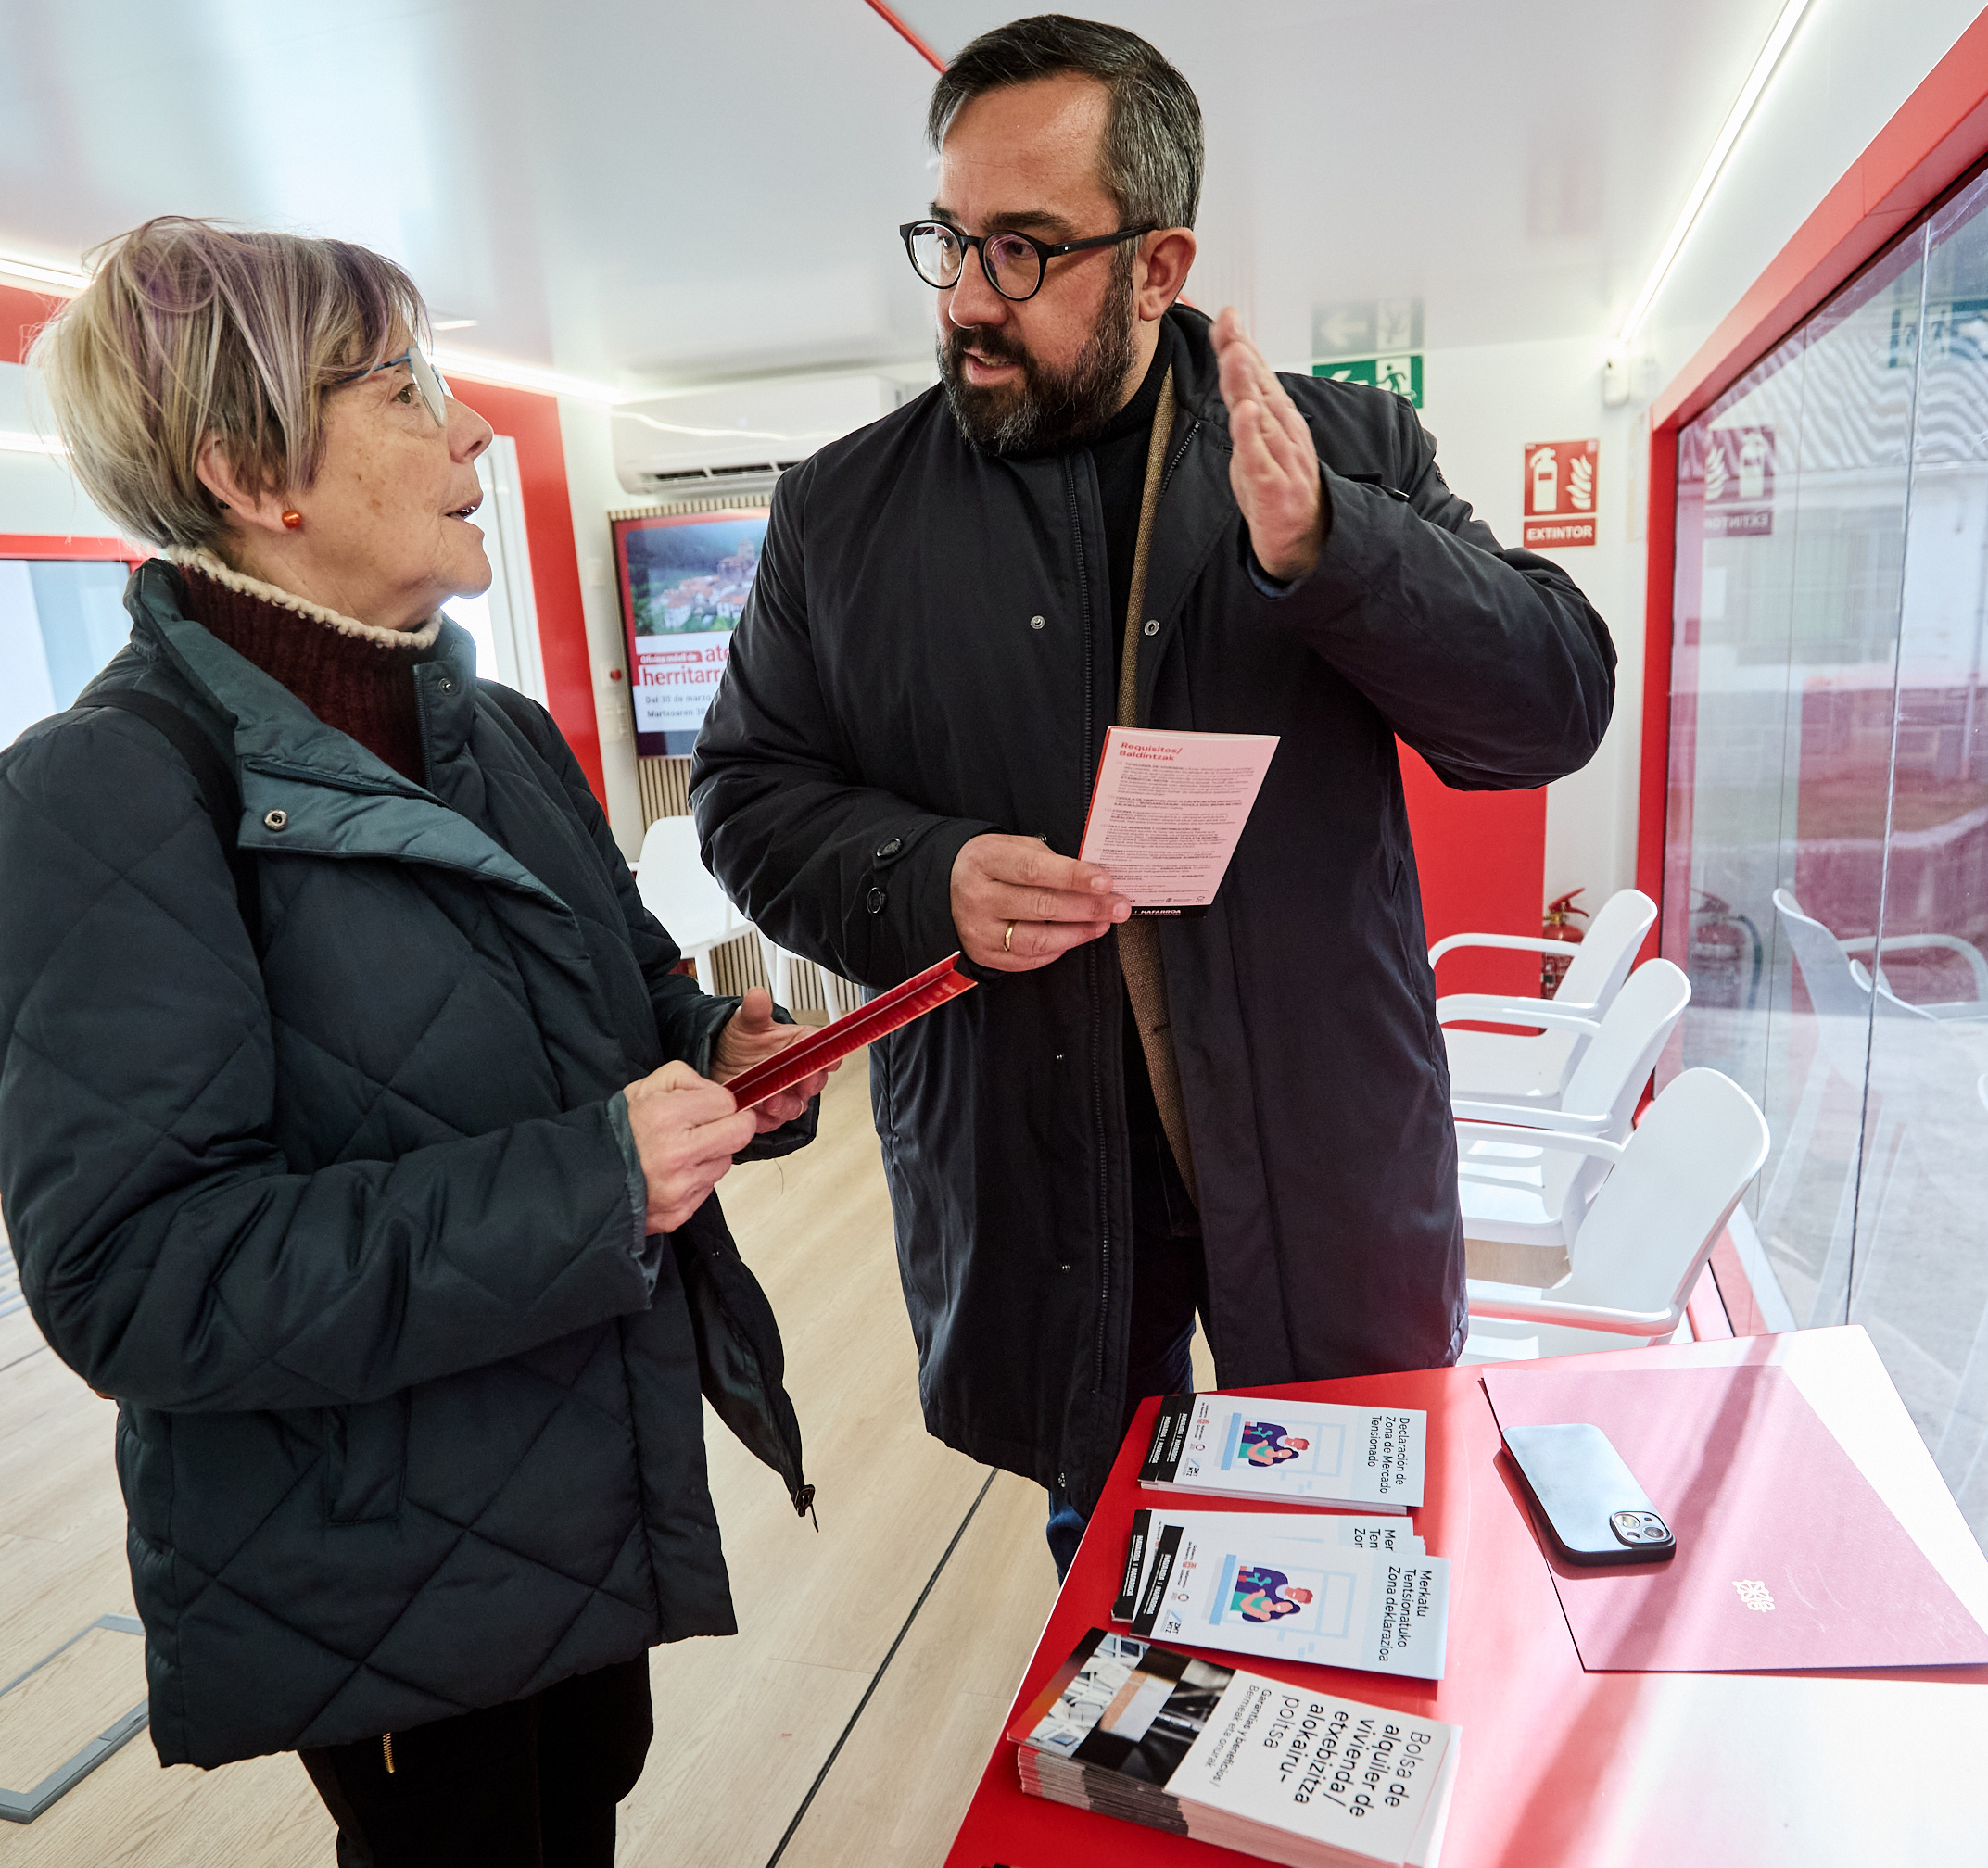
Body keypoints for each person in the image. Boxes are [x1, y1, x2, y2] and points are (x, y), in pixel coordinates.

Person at [0, 217, 830, 1866]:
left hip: (575, 1481)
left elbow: (622, 994)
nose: (479, 426)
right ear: (249, 468)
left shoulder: (489, 729)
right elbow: (144, 1276)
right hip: (380, 1556)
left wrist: (723, 1052)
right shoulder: (99, 800)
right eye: (410, 384)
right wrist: (593, 1182)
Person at [690, 16, 1616, 1573]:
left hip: (1314, 1143)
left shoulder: (1344, 447)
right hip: (1030, 1162)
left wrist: (1338, 550)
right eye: (951, 241)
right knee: (1110, 1560)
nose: (970, 301)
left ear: (1160, 262)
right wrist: (927, 876)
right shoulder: (842, 512)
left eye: (1026, 251)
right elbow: (744, 793)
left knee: (1348, 1560)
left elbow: (1550, 707)